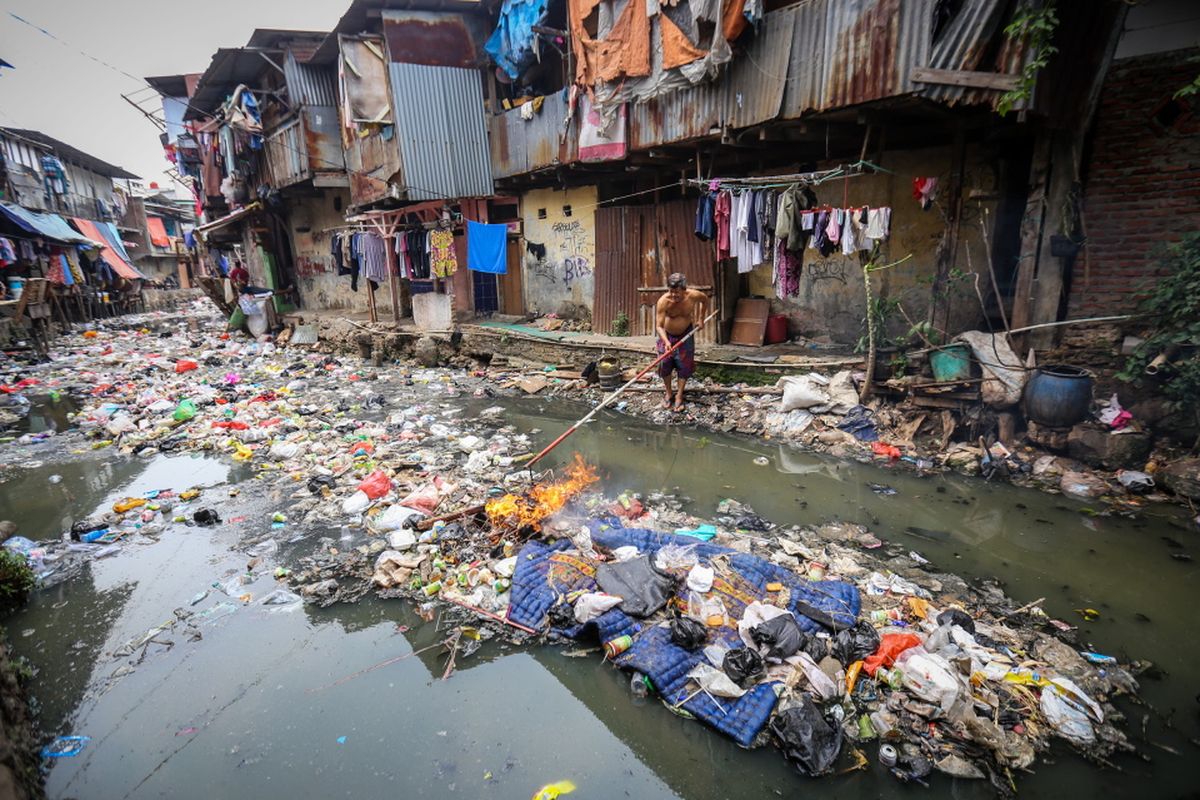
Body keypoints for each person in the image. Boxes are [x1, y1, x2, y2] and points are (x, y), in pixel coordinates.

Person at [655, 272, 706, 412]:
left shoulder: (693, 296)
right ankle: (669, 392)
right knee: (665, 363)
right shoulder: (663, 301)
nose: (673, 296)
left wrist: (701, 319)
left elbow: (705, 300)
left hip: (686, 335)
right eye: (671, 292)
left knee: (684, 365)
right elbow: (659, 326)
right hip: (667, 336)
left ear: (684, 289)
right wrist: (666, 342)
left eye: (676, 292)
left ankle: (679, 395)